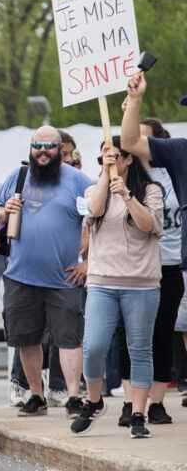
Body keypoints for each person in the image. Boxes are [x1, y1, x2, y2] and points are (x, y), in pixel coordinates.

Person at [70, 136, 163, 439]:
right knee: (94, 346)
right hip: (102, 282)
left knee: (139, 350)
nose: (107, 162)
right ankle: (94, 401)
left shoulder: (150, 190)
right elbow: (93, 211)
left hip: (141, 283)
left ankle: (138, 413)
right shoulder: (94, 190)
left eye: (113, 157)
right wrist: (104, 178)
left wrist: (127, 195)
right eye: (102, 158)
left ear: (129, 159)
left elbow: (149, 226)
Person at [0, 126, 91, 419]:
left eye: (49, 146)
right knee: (26, 338)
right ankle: (36, 394)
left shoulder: (77, 180)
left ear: (60, 148)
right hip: (20, 274)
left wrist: (89, 263)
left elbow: (98, 220)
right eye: (37, 145)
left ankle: (73, 396)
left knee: (69, 338)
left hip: (64, 277)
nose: (43, 151)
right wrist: (5, 210)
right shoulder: (18, 176)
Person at [115, 117, 185, 425]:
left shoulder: (173, 170)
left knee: (161, 335)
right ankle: (131, 403)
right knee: (128, 336)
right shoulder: (123, 174)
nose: (136, 141)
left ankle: (155, 403)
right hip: (132, 267)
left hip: (168, 265)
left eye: (145, 138)